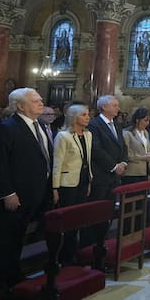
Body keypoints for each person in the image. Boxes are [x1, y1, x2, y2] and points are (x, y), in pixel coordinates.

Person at [0, 88, 51, 300]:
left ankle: (12, 277)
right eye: (35, 101)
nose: (41, 103)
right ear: (20, 106)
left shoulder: (37, 125)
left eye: (40, 100)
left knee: (16, 239)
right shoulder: (7, 127)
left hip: (32, 195)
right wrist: (7, 193)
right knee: (1, 241)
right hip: (12, 196)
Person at [51, 103, 92, 264]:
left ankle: (74, 253)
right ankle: (65, 257)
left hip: (82, 180)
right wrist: (55, 187)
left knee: (78, 219)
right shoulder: (63, 136)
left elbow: (87, 160)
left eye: (88, 114)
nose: (88, 117)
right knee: (67, 221)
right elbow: (57, 163)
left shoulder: (88, 135)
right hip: (67, 183)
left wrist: (89, 181)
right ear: (74, 117)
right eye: (84, 115)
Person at [87, 95, 128, 203]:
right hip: (101, 174)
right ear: (104, 107)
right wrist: (114, 166)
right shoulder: (94, 124)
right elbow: (96, 149)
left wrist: (123, 163)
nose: (118, 109)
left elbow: (123, 146)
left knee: (110, 207)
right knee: (98, 208)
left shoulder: (117, 125)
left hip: (115, 176)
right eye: (115, 106)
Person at [122, 108, 150, 184]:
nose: (147, 123)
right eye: (145, 120)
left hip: (145, 170)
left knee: (143, 194)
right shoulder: (127, 133)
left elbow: (149, 148)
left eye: (149, 121)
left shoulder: (146, 132)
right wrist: (142, 157)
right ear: (137, 120)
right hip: (132, 172)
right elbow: (126, 153)